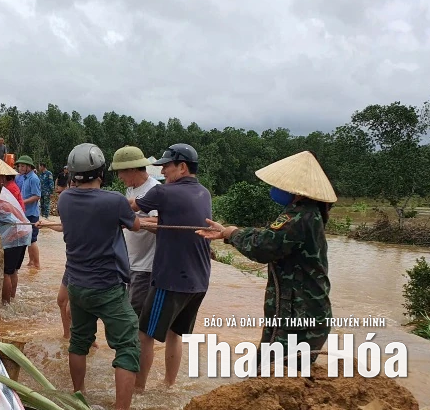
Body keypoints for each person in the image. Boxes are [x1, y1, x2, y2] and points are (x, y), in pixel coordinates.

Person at [196, 150, 336, 369]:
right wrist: (229, 233)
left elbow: (264, 247)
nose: (275, 189)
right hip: (307, 311)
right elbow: (269, 236)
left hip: (295, 315)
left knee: (269, 371)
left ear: (294, 189)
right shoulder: (310, 213)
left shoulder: (297, 216)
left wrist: (233, 234)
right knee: (291, 376)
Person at [38, 143, 141, 410]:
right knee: (128, 347)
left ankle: (79, 395)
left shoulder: (65, 199)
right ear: (101, 172)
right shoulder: (115, 201)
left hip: (76, 285)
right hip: (108, 287)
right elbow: (136, 225)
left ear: (73, 174)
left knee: (79, 341)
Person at [128, 143, 212, 392]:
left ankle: (139, 390)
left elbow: (130, 207)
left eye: (166, 166)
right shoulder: (204, 193)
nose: (162, 172)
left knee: (145, 335)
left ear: (183, 167)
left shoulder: (165, 192)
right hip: (199, 280)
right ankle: (169, 386)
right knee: (176, 333)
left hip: (171, 279)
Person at [109, 146, 160, 316]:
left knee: (134, 316)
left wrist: (133, 222)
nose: (119, 177)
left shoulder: (154, 190)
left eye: (120, 172)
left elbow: (159, 223)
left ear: (131, 169)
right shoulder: (131, 189)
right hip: (130, 262)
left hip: (145, 266)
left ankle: (135, 344)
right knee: (127, 313)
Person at [0, 161, 29, 304]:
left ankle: (6, 303)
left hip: (15, 234)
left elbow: (7, 213)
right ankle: (11, 300)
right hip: (22, 231)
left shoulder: (5, 192)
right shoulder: (7, 189)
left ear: (1, 177)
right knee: (12, 270)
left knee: (5, 271)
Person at [15, 155, 41, 269]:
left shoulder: (33, 179)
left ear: (29, 167)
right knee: (28, 240)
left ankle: (37, 264)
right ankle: (31, 262)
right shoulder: (24, 178)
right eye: (19, 166)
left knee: (32, 239)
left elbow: (37, 196)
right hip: (25, 212)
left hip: (31, 213)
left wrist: (22, 202)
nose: (20, 168)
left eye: (22, 166)